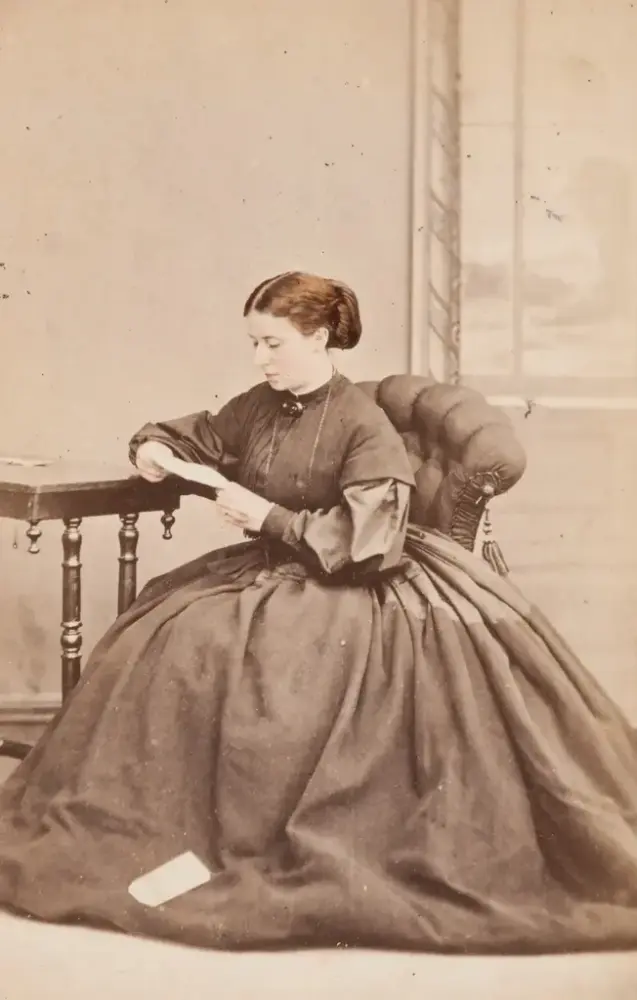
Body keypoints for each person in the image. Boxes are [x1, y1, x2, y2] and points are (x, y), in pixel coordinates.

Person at [1, 270, 637, 954]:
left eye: (271, 343)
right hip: (275, 565)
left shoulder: (362, 424)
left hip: (352, 580)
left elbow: (368, 541)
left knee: (261, 660)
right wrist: (155, 449)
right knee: (167, 624)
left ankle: (243, 833)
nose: (259, 358)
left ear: (319, 336)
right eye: (253, 343)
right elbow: (199, 435)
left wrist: (266, 514)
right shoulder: (262, 404)